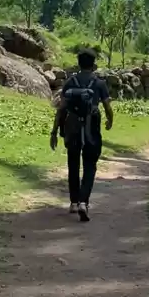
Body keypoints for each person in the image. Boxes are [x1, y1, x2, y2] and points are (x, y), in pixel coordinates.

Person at [50, 49, 113, 221]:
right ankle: (84, 202)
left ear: (78, 64)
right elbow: (107, 107)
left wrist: (54, 131)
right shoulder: (99, 83)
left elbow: (61, 108)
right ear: (94, 65)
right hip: (91, 128)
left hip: (72, 126)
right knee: (90, 164)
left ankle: (74, 202)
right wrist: (109, 121)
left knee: (73, 163)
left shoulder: (71, 82)